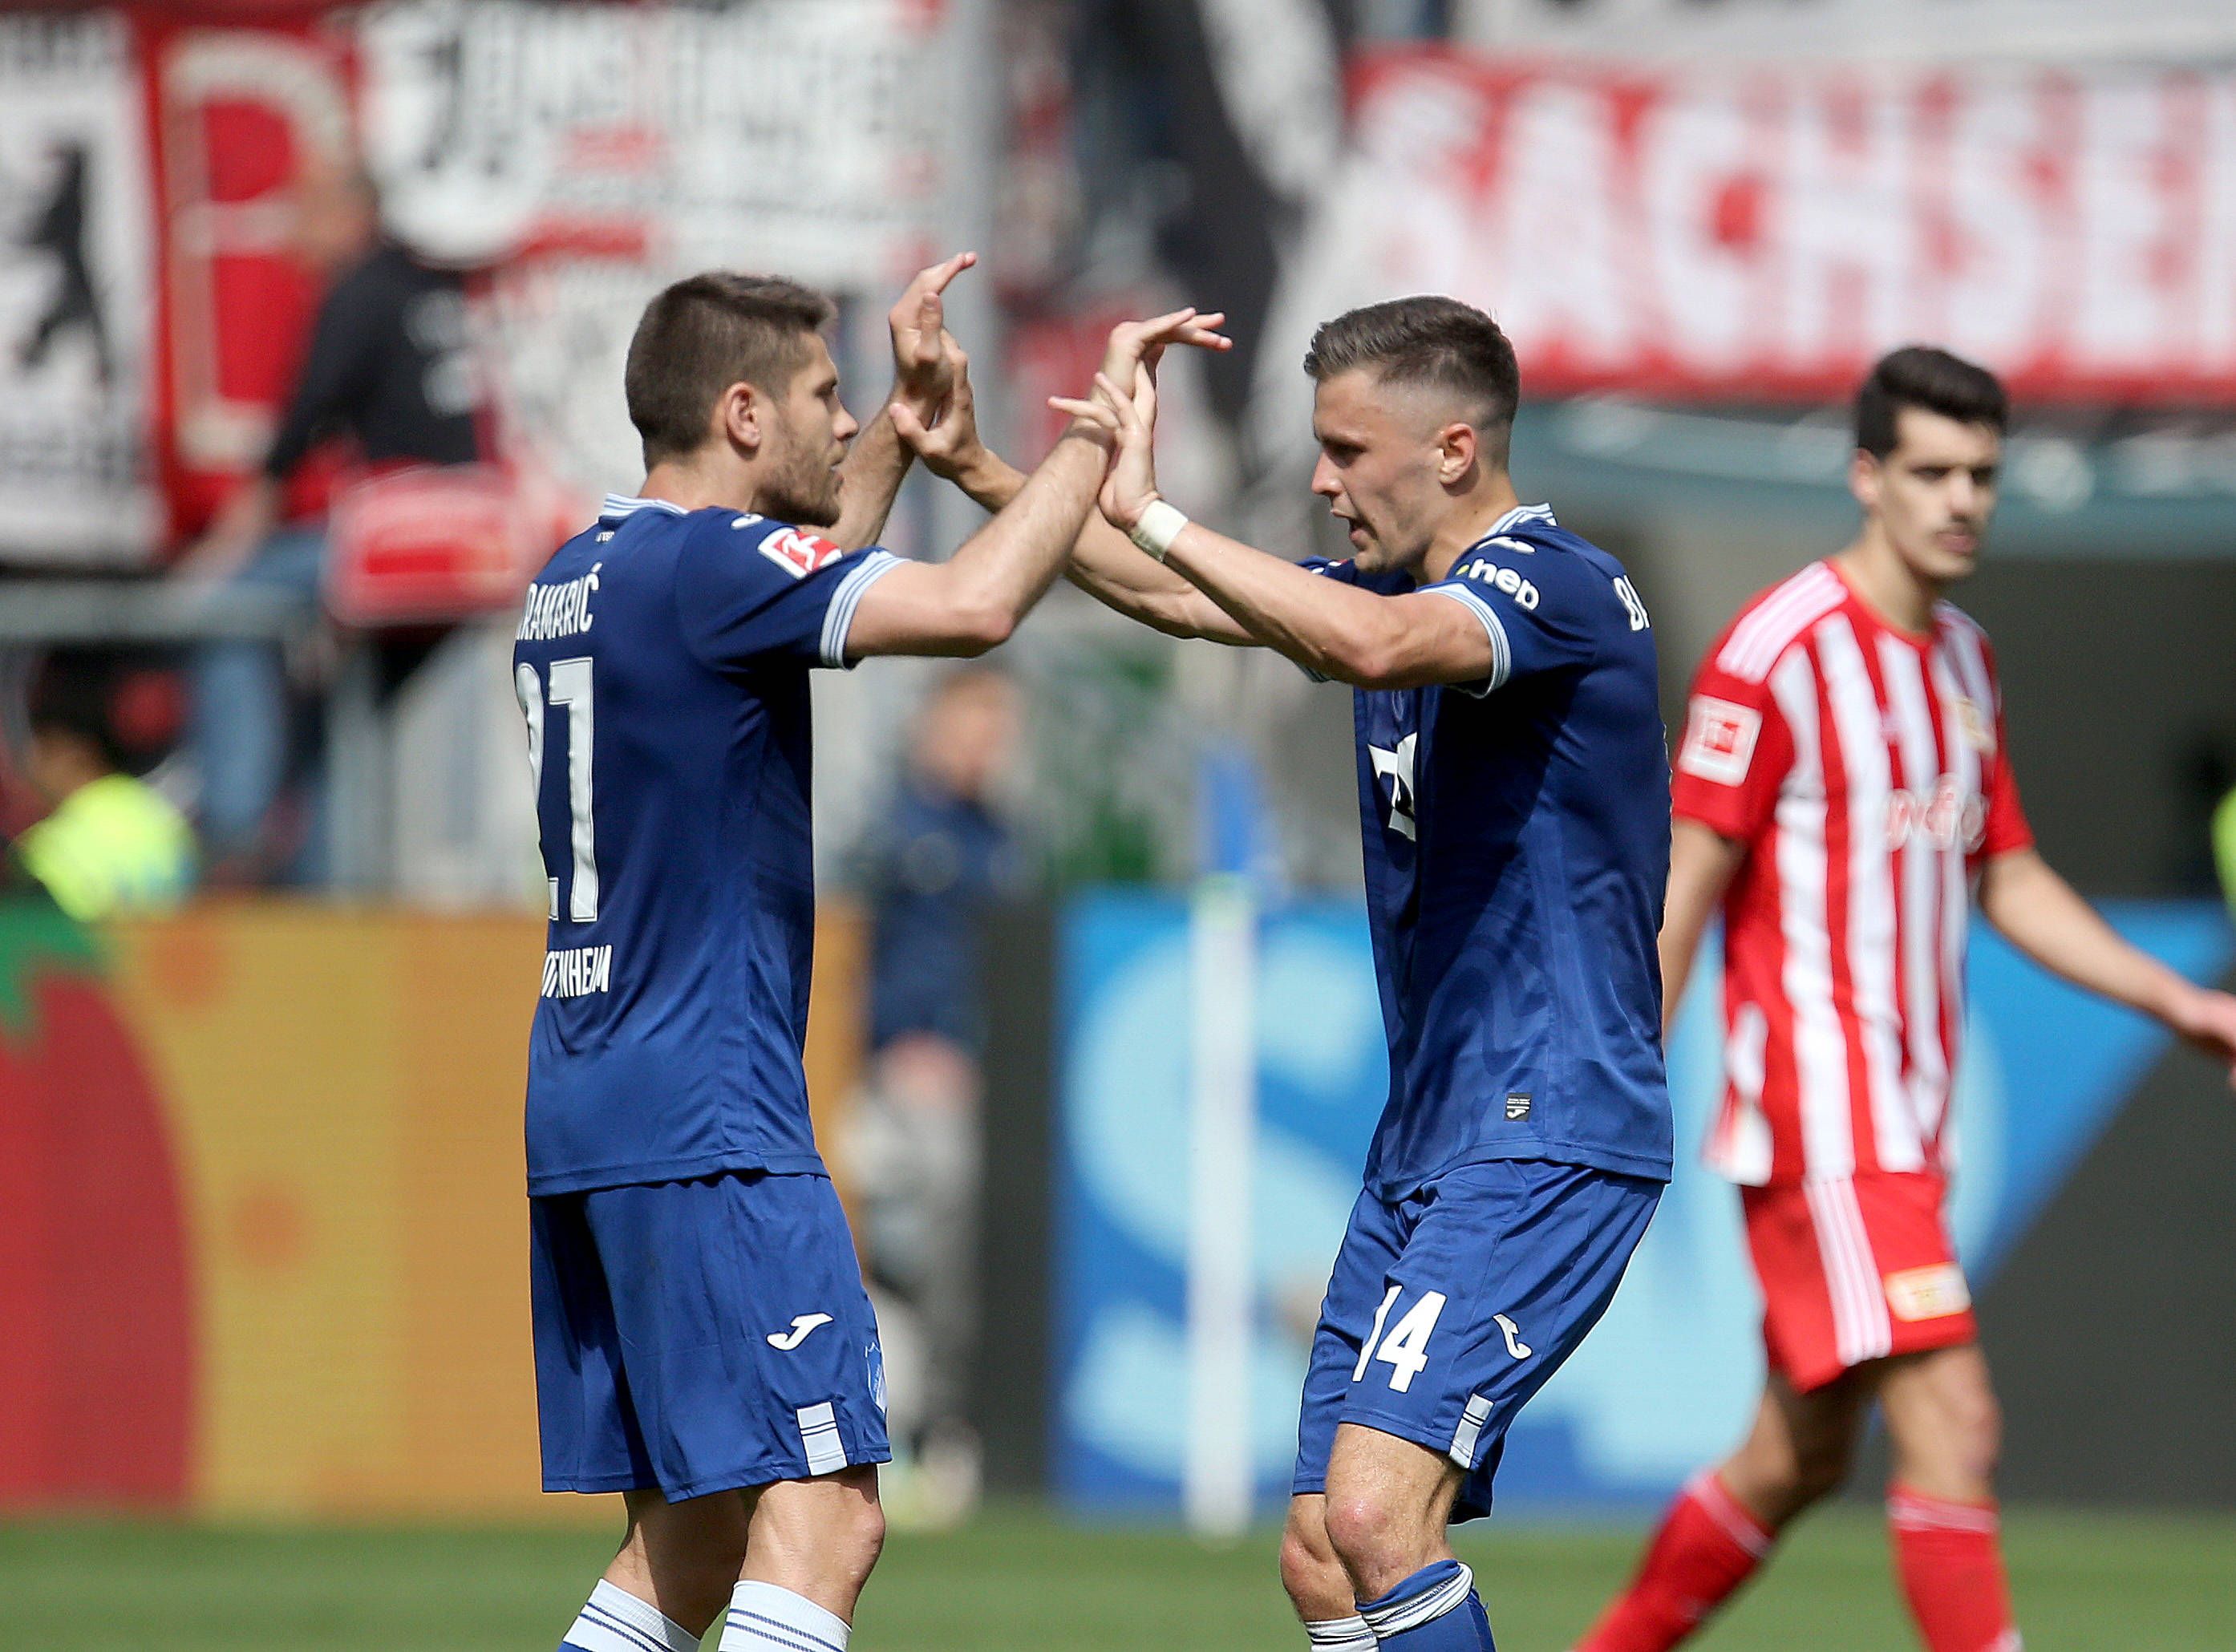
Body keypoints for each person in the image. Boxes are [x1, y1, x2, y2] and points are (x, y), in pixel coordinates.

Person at [905, 294, 1672, 1652]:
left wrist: (1154, 512)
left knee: (1379, 1516)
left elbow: (1362, 647)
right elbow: (1166, 591)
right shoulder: (1389, 594)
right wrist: (979, 469)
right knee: (1325, 1555)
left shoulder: (1554, 590)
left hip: (1544, 1128)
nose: (1320, 481)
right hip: (1427, 1139)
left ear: (1449, 450)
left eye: (1343, 449)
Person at [518, 257, 1225, 1652]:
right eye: (823, 398)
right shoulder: (713, 570)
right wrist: (1092, 433)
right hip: (708, 1106)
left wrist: (906, 427)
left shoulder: (583, 572)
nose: (841, 424)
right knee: (830, 1516)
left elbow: (804, 578)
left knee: (695, 1533)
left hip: (590, 1093)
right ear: (737, 414)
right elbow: (969, 609)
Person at [1570, 347, 2236, 1652]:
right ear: (1865, 476)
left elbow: (2007, 875)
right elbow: (1684, 885)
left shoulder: (1965, 666)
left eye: (1980, 476)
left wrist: (2180, 1003)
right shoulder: (1774, 653)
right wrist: (1617, 1085)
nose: (1958, 501)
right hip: (1818, 1117)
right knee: (1952, 1417)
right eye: (1929, 472)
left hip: (1906, 1128)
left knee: (1797, 1457)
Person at [176, 162, 488, 878]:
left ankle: (235, 829)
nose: (290, 237)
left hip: (414, 542)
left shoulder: (362, 288)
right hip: (484, 545)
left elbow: (304, 418)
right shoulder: (442, 287)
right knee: (332, 705)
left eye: (303, 215)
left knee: (231, 606)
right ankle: (328, 880)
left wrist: (230, 541)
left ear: (350, 216)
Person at [841, 665, 1028, 1521]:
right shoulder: (884, 831)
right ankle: (901, 1427)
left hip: (988, 1083)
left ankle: (938, 1426)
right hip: (891, 1081)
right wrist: (888, 1044)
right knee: (899, 1243)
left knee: (954, 1258)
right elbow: (842, 951)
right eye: (976, 720)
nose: (989, 742)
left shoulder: (1006, 838)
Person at [11, 654, 194, 921]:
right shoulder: (161, 815)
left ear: (70, 755)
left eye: (42, 754)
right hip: (167, 955)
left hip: (88, 958)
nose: (32, 769)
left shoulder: (51, 844)